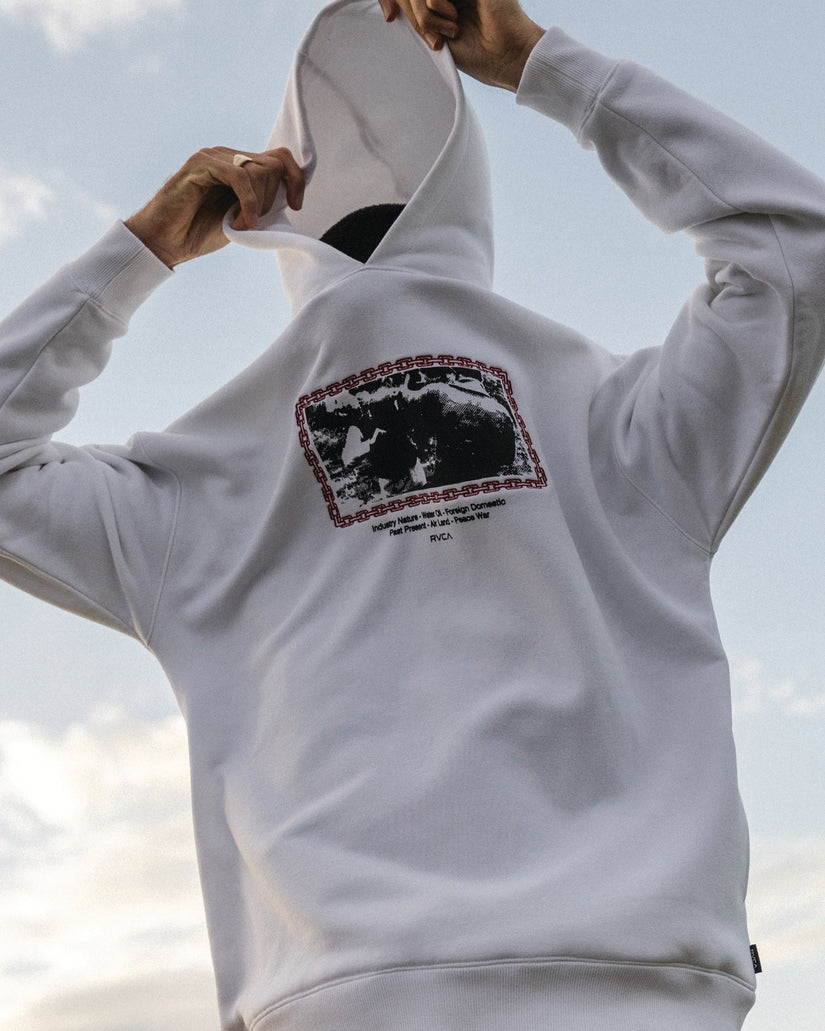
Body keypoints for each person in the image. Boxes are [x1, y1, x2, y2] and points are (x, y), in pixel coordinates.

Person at [1, 1, 824, 1028]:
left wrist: (146, 246)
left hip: (346, 1000)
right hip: (640, 992)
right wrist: (538, 65)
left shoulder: (197, 486)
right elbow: (789, 248)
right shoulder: (621, 427)